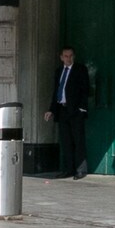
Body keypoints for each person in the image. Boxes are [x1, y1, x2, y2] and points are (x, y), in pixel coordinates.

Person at [45, 45, 91, 180]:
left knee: (78, 140)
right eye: (66, 56)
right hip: (62, 110)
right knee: (66, 141)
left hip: (76, 110)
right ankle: (68, 169)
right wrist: (51, 110)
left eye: (70, 56)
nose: (68, 59)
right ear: (61, 58)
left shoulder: (80, 70)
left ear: (73, 57)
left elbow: (85, 90)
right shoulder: (59, 71)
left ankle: (81, 170)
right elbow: (56, 91)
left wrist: (81, 109)